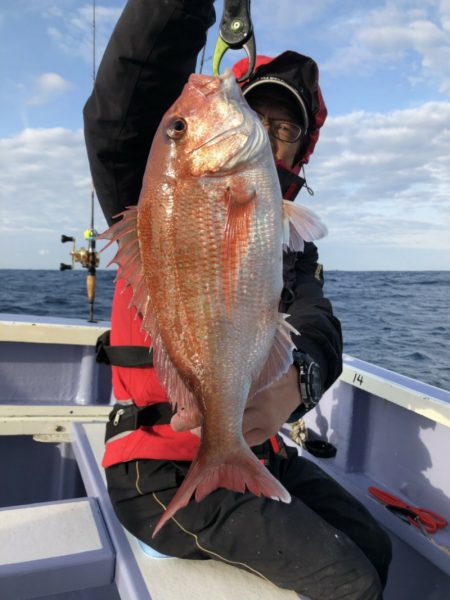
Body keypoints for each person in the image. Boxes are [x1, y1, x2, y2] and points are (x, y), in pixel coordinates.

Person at [83, 2, 392, 599]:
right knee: (347, 582)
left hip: (255, 451)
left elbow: (316, 321)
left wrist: (298, 380)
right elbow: (121, 100)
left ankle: (229, 450)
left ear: (301, 150)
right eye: (260, 113)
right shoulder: (153, 193)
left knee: (375, 546)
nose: (273, 135)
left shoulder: (286, 240)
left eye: (289, 129)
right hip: (158, 469)